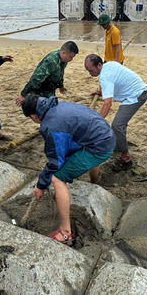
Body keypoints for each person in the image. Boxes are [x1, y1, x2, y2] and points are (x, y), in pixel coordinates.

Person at [22, 94, 115, 245]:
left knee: (57, 178)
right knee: (75, 160)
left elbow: (56, 162)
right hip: (105, 137)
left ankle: (65, 232)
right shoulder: (58, 106)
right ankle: (94, 183)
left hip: (99, 148)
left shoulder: (51, 126)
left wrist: (41, 185)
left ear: (34, 115)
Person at [84, 54, 147, 170]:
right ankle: (119, 145)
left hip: (136, 95)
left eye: (91, 70)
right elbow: (114, 81)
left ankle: (125, 158)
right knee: (120, 123)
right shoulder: (110, 64)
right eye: (88, 71)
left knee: (117, 125)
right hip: (137, 90)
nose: (90, 74)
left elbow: (108, 103)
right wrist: (103, 92)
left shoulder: (104, 76)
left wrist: (98, 120)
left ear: (99, 65)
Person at [15, 41, 79, 106]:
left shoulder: (63, 60)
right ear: (63, 53)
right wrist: (23, 94)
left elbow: (60, 73)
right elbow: (37, 78)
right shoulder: (51, 61)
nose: (72, 59)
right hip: (40, 91)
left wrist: (60, 86)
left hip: (50, 90)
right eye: (71, 57)